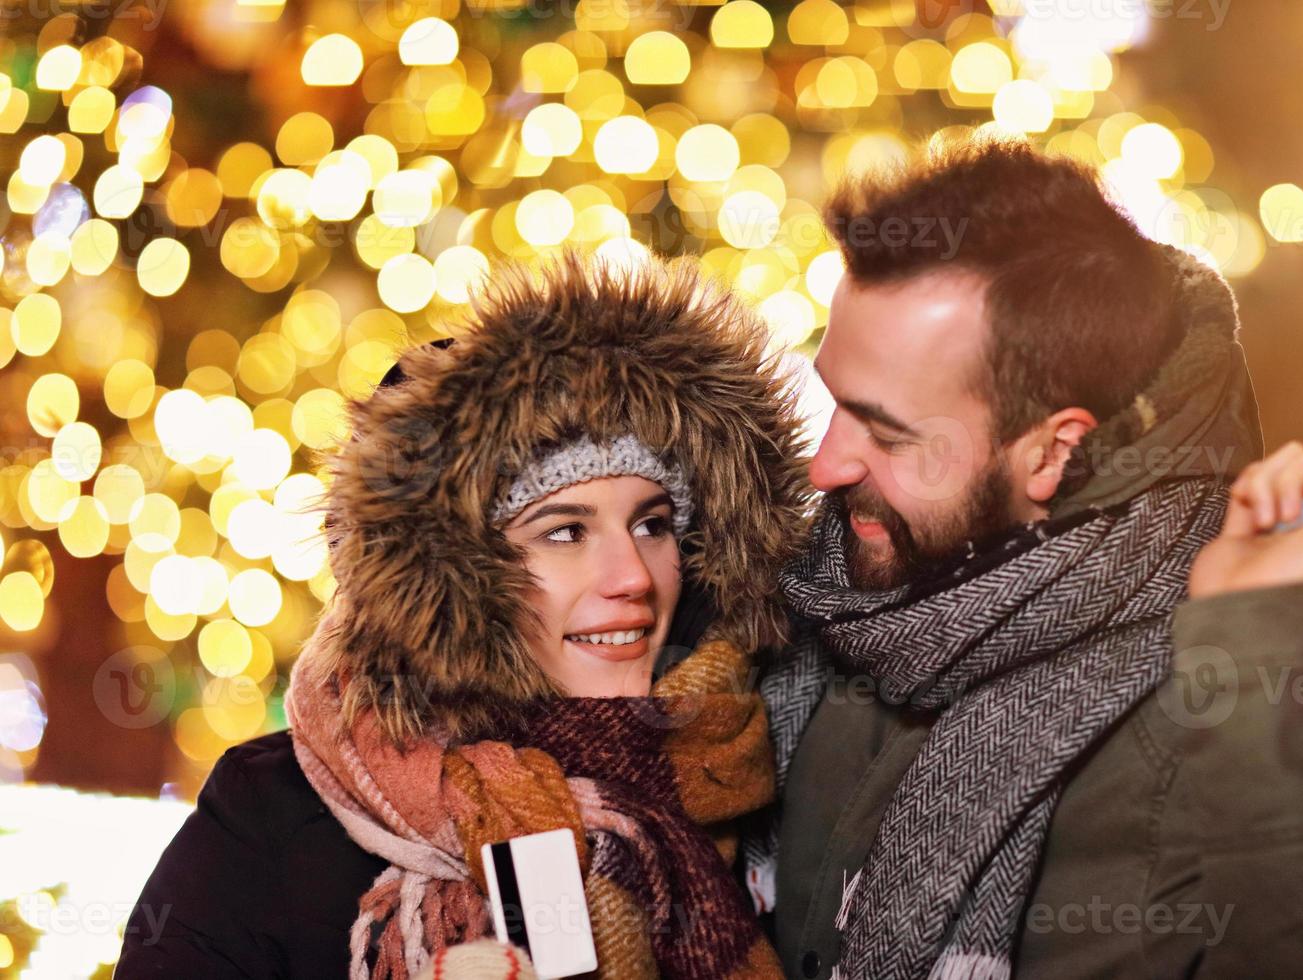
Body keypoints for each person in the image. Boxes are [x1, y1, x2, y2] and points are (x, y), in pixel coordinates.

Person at [748, 137, 1303, 978]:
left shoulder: (1232, 697)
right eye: (833, 401)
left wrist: (1262, 659)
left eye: (889, 432)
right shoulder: (821, 595)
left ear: (1051, 452)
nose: (825, 466)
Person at [114, 253, 811, 979]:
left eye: (653, 524)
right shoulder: (270, 821)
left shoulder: (756, 770)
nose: (631, 576)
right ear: (450, 578)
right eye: (565, 532)